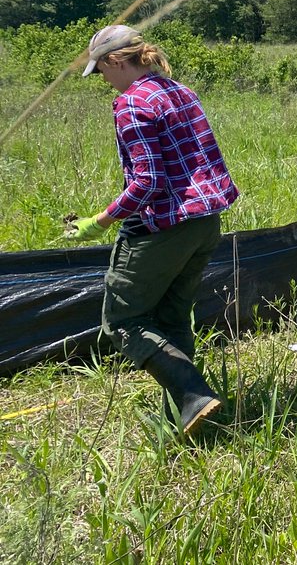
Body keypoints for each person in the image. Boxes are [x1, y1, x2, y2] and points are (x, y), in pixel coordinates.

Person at [63, 25, 239, 437]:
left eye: (102, 71)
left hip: (163, 227)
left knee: (123, 320)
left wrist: (101, 220)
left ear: (115, 61)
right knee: (173, 318)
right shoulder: (179, 90)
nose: (103, 80)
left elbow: (148, 180)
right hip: (205, 221)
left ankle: (192, 394)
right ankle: (185, 417)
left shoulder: (130, 103)